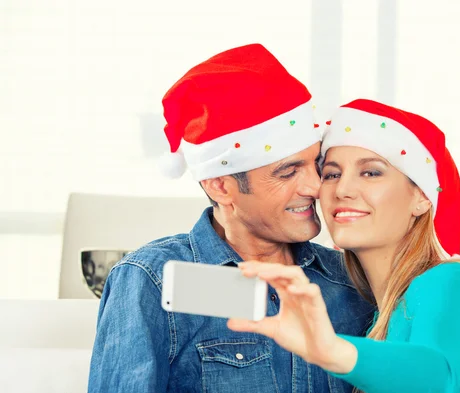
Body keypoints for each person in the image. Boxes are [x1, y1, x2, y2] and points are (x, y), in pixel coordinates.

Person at [88, 45, 374, 393]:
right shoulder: (155, 280)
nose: (316, 187)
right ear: (221, 187)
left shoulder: (350, 279)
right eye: (287, 173)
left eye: (315, 164)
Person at [229, 99, 460, 392]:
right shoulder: (359, 302)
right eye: (331, 174)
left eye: (371, 172)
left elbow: (434, 375)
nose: (343, 189)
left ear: (422, 197)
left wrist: (331, 350)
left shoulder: (456, 281)